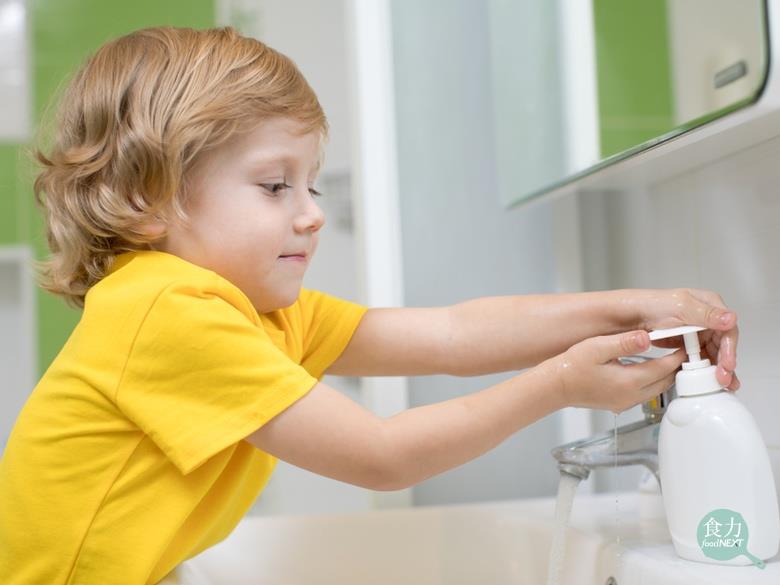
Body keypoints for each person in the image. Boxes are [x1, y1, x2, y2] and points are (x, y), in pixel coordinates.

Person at [0, 26, 739, 585]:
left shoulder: (257, 311)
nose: (312, 213)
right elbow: (383, 456)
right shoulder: (166, 309)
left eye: (311, 184)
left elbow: (452, 335)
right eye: (274, 186)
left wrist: (632, 310)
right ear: (146, 200)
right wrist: (561, 384)